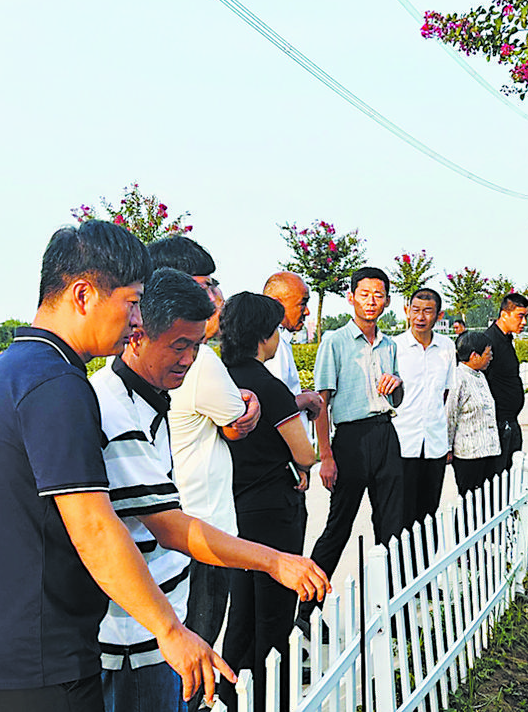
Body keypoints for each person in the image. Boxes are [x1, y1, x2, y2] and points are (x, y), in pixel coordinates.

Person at [0, 221, 229, 712]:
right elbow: (92, 524)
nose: (137, 320)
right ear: (83, 294)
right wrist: (170, 630)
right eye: (132, 302)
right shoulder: (58, 385)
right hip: (43, 664)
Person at [90, 268, 330, 712]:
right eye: (179, 345)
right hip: (135, 640)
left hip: (163, 615)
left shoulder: (153, 397)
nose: (190, 359)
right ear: (137, 333)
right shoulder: (113, 408)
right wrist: (275, 560)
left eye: (198, 346)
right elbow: (169, 527)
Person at [149, 236, 260, 712]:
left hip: (166, 529)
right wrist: (247, 405)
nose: (215, 295)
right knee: (195, 655)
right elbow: (236, 420)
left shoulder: (138, 361)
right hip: (201, 532)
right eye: (206, 284)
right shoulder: (200, 360)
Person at [218, 292, 316, 711]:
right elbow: (305, 453)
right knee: (274, 612)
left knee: (241, 612)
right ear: (262, 334)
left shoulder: (219, 378)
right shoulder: (268, 385)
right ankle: (268, 695)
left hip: (234, 508)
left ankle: (228, 695)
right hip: (275, 508)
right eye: (275, 328)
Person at [296, 267, 404, 634]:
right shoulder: (336, 341)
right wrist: (325, 455)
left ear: (387, 301)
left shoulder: (390, 345)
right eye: (365, 293)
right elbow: (322, 401)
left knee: (392, 525)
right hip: (351, 440)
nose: (372, 301)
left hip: (385, 434)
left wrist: (397, 385)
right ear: (352, 298)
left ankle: (390, 606)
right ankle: (307, 611)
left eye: (379, 294)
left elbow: (397, 399)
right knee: (337, 528)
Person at [393, 288, 455, 531]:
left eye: (427, 311)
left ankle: (427, 566)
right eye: (415, 310)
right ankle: (399, 568)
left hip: (434, 445)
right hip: (402, 443)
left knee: (428, 514)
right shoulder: (394, 347)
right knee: (401, 515)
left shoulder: (447, 347)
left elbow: (446, 393)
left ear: (438, 316)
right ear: (407, 312)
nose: (420, 317)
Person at [262, 271, 325, 437]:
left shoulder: (281, 341)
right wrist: (308, 400)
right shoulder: (272, 345)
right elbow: (273, 404)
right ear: (276, 304)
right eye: (302, 303)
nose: (307, 312)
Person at [446, 331, 502, 496]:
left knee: (488, 503)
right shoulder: (457, 378)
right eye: (487, 353)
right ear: (474, 355)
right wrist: (447, 448)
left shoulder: (480, 376)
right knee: (469, 504)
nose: (490, 357)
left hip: (489, 451)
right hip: (469, 455)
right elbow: (450, 415)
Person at [484, 293, 528, 476]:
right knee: (499, 478)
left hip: (510, 421)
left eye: (525, 316)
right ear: (504, 315)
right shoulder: (489, 342)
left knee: (512, 475)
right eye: (520, 316)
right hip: (499, 424)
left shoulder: (507, 340)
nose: (524, 322)